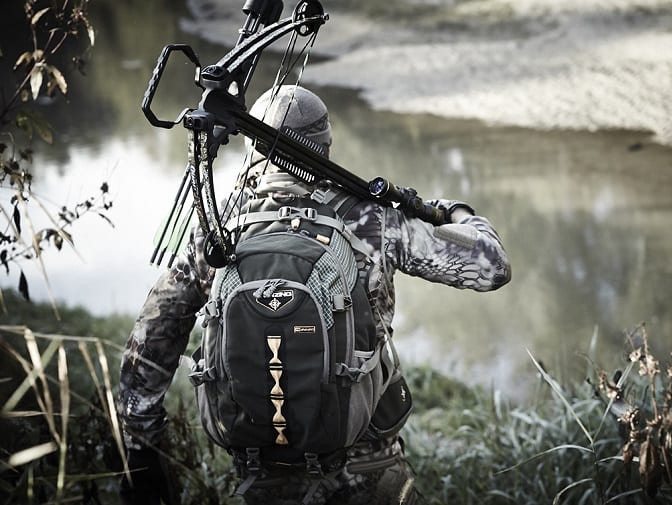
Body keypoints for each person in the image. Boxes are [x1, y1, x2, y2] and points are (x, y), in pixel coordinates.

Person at [117, 85, 511, 504]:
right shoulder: (376, 220)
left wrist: (141, 447)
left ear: (252, 142)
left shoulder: (217, 225)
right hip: (365, 468)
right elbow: (492, 267)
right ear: (325, 144)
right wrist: (450, 210)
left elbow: (152, 337)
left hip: (257, 471)